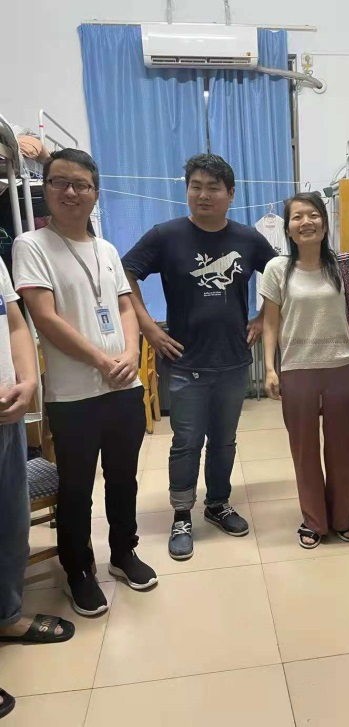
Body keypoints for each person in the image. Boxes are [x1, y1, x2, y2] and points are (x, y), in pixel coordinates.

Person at [13, 149, 157, 618]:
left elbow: (125, 307)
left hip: (124, 388)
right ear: (46, 188)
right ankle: (78, 570)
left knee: (124, 479)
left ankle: (124, 552)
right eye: (60, 182)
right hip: (74, 395)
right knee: (76, 487)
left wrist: (130, 355)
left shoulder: (107, 249)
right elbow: (44, 317)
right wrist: (100, 359)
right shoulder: (31, 246)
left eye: (82, 184)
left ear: (96, 193)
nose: (71, 192)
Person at [122, 154, 277, 560]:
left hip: (233, 360)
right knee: (186, 442)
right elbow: (125, 274)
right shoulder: (166, 235)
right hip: (185, 361)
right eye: (196, 186)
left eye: (213, 187)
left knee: (224, 441)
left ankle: (218, 504)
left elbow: (281, 274)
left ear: (231, 194)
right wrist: (149, 328)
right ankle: (181, 514)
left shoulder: (247, 239)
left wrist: (263, 316)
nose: (203, 194)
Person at [262, 192, 349, 548]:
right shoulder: (277, 269)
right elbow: (270, 323)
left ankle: (342, 517)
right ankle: (315, 521)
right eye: (297, 217)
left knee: (342, 449)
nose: (306, 222)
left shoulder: (343, 266)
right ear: (288, 228)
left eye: (314, 215)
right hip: (297, 369)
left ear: (324, 221)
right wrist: (270, 368)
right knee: (304, 451)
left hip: (342, 367)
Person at [0, 256, 75, 718]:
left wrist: (27, 382)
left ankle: (6, 616)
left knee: (11, 527)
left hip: (6, 416)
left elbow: (13, 322)